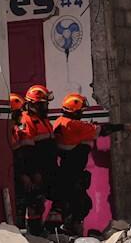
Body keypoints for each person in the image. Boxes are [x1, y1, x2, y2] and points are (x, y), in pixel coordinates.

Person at [52, 93, 125, 235]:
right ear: (75, 111)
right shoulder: (73, 125)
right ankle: (70, 231)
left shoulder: (59, 122)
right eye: (81, 111)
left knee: (73, 203)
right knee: (80, 204)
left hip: (65, 169)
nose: (82, 114)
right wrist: (122, 127)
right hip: (73, 171)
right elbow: (101, 130)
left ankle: (69, 230)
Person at [20, 85, 59, 230]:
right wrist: (33, 173)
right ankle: (34, 232)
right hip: (37, 169)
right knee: (34, 203)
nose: (46, 107)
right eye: (44, 104)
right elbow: (27, 151)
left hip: (49, 167)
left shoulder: (43, 120)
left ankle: (48, 230)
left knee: (57, 195)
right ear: (35, 104)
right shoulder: (27, 120)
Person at [8, 94, 45, 234]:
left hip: (23, 173)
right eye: (18, 111)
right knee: (20, 206)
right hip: (16, 176)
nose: (21, 114)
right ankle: (21, 234)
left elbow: (26, 155)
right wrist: (22, 175)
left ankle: (35, 233)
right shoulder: (8, 133)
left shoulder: (15, 130)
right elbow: (15, 158)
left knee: (33, 202)